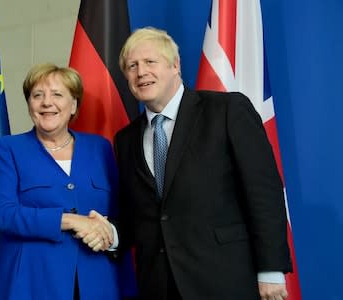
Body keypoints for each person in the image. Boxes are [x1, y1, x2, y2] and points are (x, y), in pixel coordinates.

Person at [113, 27, 292, 300]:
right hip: (158, 285)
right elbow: (136, 213)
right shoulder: (125, 140)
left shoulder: (227, 110)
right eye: (132, 66)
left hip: (225, 279)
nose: (141, 72)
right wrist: (108, 233)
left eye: (150, 62)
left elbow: (263, 193)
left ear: (175, 65)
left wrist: (271, 270)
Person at [0, 63, 127, 299]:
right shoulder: (8, 149)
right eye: (37, 95)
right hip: (32, 282)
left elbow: (121, 212)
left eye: (57, 94)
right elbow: (3, 214)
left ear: (73, 105)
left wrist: (109, 234)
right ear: (29, 104)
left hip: (98, 282)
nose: (46, 103)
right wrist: (70, 220)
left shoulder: (100, 148)